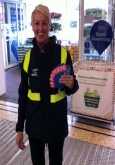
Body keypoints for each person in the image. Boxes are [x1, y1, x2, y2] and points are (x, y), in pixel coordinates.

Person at [16, 4, 79, 165]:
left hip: (56, 124)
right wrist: (19, 128)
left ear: (50, 25)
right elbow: (23, 94)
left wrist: (72, 84)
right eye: (37, 23)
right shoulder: (28, 59)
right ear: (32, 26)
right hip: (35, 125)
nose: (41, 28)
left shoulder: (62, 54)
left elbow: (71, 88)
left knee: (56, 162)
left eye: (44, 23)